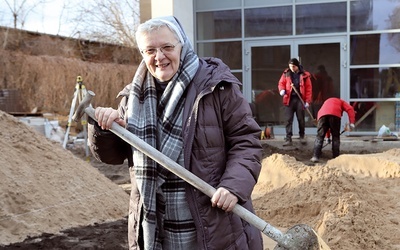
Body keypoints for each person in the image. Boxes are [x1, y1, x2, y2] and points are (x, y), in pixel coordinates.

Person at [87, 16, 263, 250]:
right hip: (155, 225)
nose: (159, 57)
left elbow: (246, 141)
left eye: (167, 47)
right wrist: (105, 129)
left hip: (213, 225)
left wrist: (233, 186)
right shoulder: (133, 98)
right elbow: (111, 157)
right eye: (150, 50)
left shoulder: (216, 86)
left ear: (182, 46)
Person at [278, 58, 312, 146]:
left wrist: (307, 101)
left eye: (293, 66)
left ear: (297, 66)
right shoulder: (286, 73)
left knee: (301, 119)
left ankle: (302, 135)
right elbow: (281, 83)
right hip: (289, 99)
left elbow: (308, 89)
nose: (292, 68)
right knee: (288, 119)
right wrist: (282, 90)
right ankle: (288, 138)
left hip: (300, 99)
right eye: (290, 66)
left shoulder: (304, 75)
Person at [310, 97, 356, 163]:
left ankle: (315, 156)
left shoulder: (325, 104)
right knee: (335, 137)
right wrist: (352, 122)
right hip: (335, 115)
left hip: (321, 115)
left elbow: (326, 126)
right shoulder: (341, 102)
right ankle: (336, 157)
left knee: (319, 136)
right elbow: (350, 109)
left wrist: (327, 137)